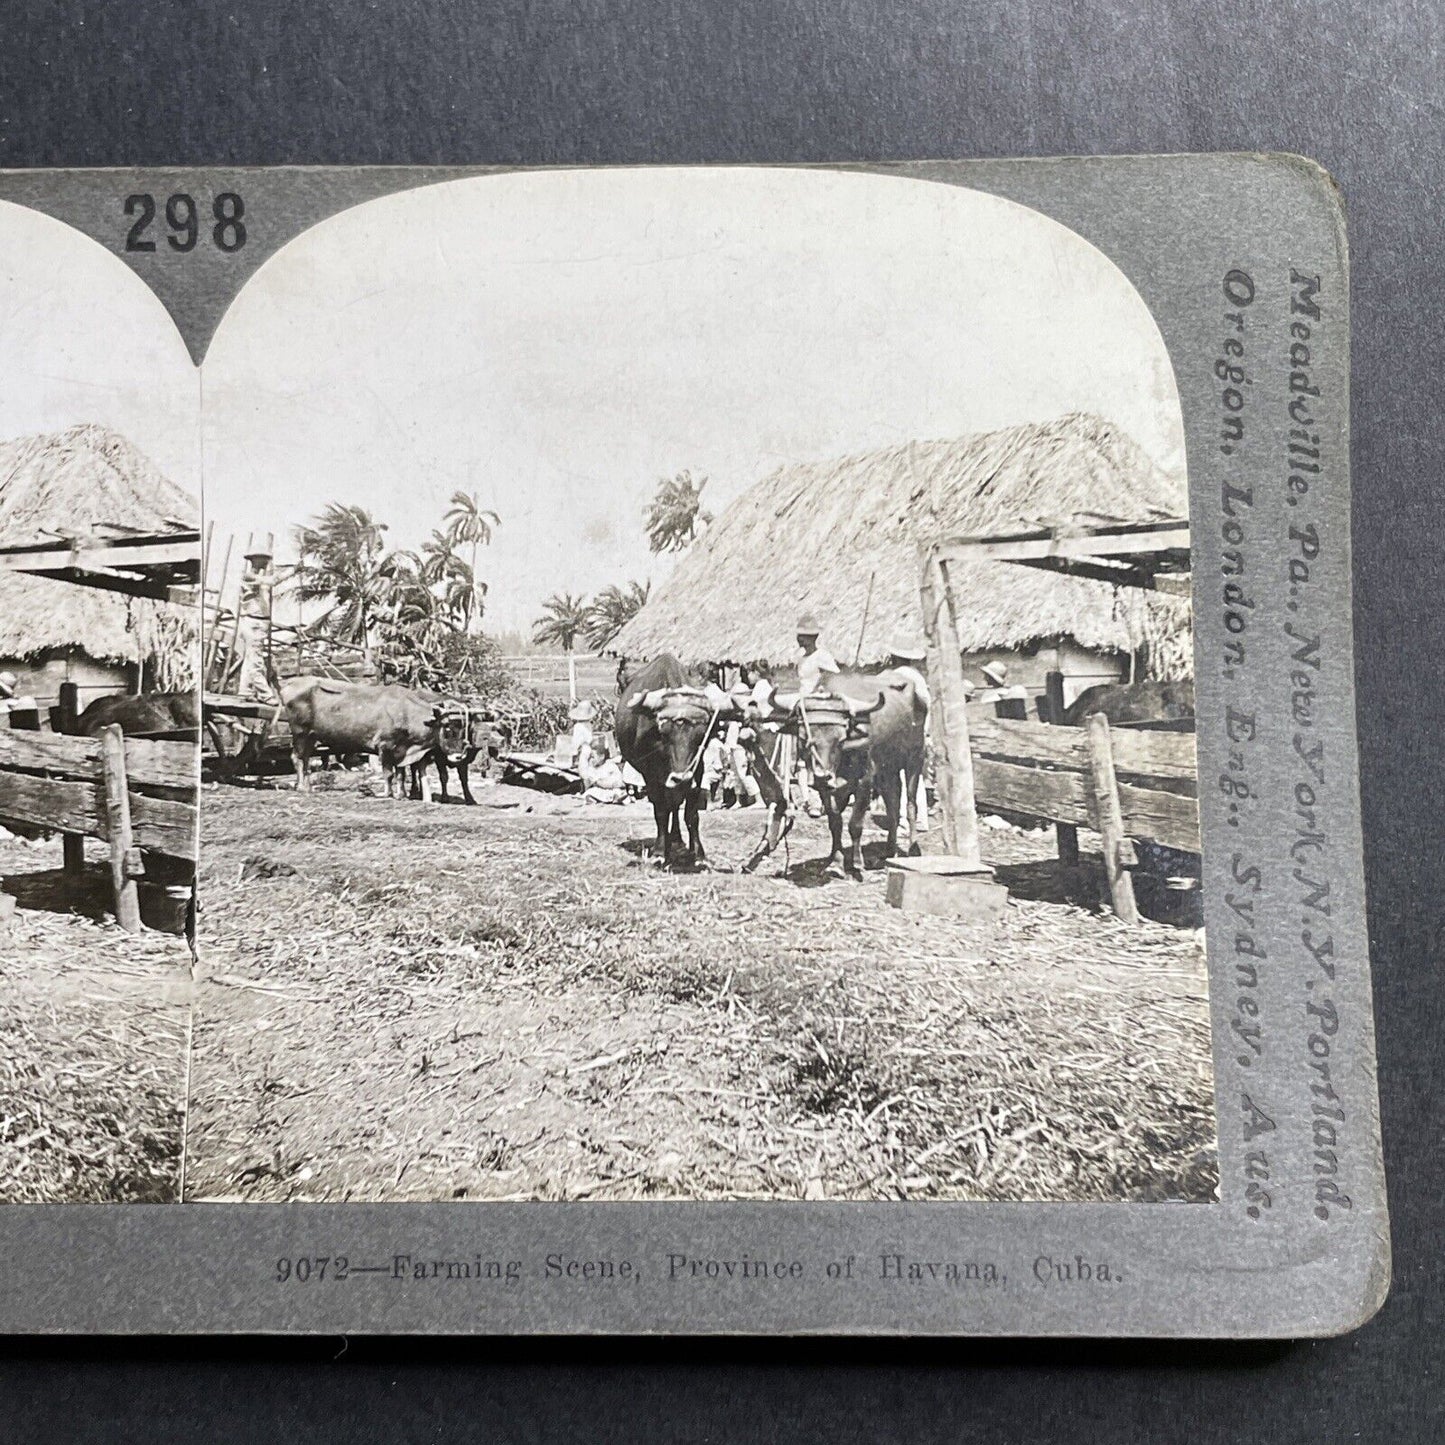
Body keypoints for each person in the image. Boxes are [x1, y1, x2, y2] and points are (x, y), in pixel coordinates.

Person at [795, 613, 840, 697]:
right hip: (802, 697)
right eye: (799, 635)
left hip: (817, 698)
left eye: (804, 636)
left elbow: (834, 675)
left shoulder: (822, 655)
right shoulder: (801, 658)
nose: (800, 639)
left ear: (814, 637)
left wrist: (820, 684)